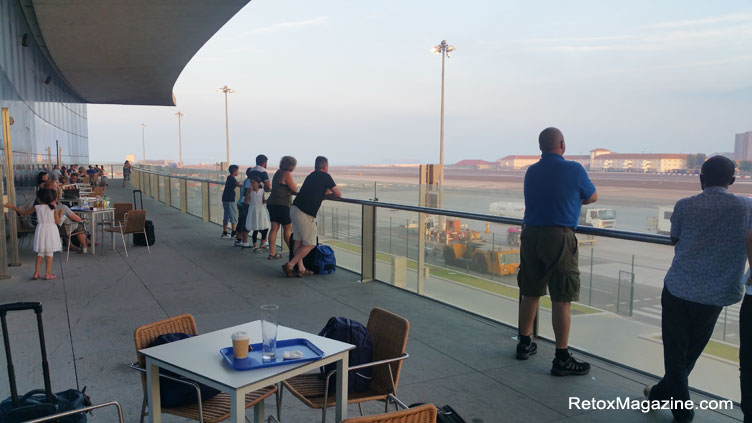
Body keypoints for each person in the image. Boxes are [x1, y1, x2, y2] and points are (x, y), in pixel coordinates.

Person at [645, 156, 751, 422]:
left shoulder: (684, 205)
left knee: (676, 352)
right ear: (733, 181)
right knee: (690, 352)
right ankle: (662, 397)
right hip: (715, 294)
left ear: (700, 179)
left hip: (679, 288)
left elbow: (675, 238)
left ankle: (679, 409)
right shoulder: (747, 207)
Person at [515, 127, 597, 376]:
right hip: (559, 237)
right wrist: (575, 200)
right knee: (562, 299)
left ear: (541, 147)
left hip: (531, 235)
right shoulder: (574, 169)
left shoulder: (531, 171)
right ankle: (561, 357)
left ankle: (524, 343)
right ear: (562, 144)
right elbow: (592, 196)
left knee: (530, 293)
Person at [282, 156, 341, 277]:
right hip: (305, 213)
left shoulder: (310, 176)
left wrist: (323, 194)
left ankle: (301, 269)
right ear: (325, 167)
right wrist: (327, 196)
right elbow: (338, 194)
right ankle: (290, 265)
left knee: (298, 242)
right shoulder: (326, 176)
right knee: (311, 243)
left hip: (294, 209)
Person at [5, 189, 63, 280]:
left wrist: (12, 206)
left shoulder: (37, 207)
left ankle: (36, 273)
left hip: (41, 230)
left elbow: (23, 213)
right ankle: (48, 274)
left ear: (40, 199)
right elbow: (58, 221)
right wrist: (61, 214)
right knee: (49, 253)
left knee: (40, 252)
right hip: (51, 230)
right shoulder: (53, 208)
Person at [267, 156, 298, 260]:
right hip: (282, 204)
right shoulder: (286, 174)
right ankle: (293, 252)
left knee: (274, 228)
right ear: (290, 165)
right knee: (287, 229)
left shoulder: (278, 172)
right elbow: (294, 189)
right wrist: (292, 189)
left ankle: (272, 253)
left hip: (272, 203)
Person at [247, 155, 271, 247]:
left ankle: (254, 244)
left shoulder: (251, 171)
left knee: (254, 225)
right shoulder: (263, 171)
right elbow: (268, 184)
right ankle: (263, 242)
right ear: (264, 163)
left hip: (251, 201)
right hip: (258, 203)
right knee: (263, 224)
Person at [245, 177, 271, 252]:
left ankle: (262, 243)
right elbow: (246, 201)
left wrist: (268, 200)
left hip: (261, 210)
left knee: (265, 227)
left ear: (258, 183)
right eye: (251, 182)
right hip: (253, 210)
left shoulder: (262, 191)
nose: (252, 184)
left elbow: (263, 201)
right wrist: (248, 193)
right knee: (255, 228)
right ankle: (255, 245)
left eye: (254, 182)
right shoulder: (250, 191)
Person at [221, 165, 241, 239]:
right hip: (229, 199)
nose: (238, 172)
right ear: (235, 171)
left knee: (226, 215)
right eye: (237, 171)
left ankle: (225, 232)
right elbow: (238, 184)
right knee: (233, 215)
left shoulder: (229, 177)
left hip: (225, 199)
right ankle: (233, 232)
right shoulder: (232, 178)